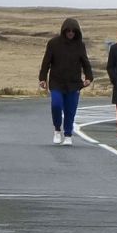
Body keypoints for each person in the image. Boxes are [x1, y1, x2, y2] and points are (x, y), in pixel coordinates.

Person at [38, 17, 94, 146]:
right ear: (63, 31)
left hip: (74, 83)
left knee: (70, 110)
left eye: (73, 31)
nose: (70, 33)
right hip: (56, 82)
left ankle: (68, 134)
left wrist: (88, 78)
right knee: (56, 105)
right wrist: (42, 79)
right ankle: (57, 129)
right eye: (68, 30)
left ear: (77, 32)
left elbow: (86, 63)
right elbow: (46, 62)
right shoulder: (53, 44)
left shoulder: (80, 45)